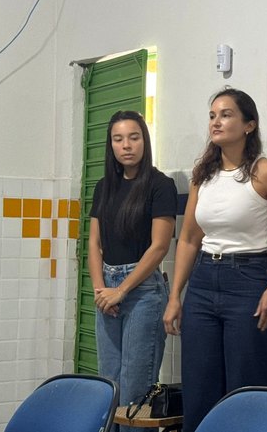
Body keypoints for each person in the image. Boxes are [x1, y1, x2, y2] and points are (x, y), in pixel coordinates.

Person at [163, 88, 267, 432]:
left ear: (249, 125)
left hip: (250, 278)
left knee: (246, 386)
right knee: (199, 388)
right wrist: (175, 296)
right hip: (205, 279)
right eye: (212, 115)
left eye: (226, 114)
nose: (216, 121)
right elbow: (191, 239)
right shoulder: (203, 174)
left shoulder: (264, 171)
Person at [89, 111, 178, 432]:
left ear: (145, 140)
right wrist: (102, 291)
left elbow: (159, 247)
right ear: (110, 145)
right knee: (108, 384)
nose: (126, 145)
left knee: (135, 390)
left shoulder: (160, 185)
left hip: (142, 293)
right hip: (107, 290)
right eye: (118, 139)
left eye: (134, 137)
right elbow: (95, 245)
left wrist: (122, 290)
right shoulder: (103, 188)